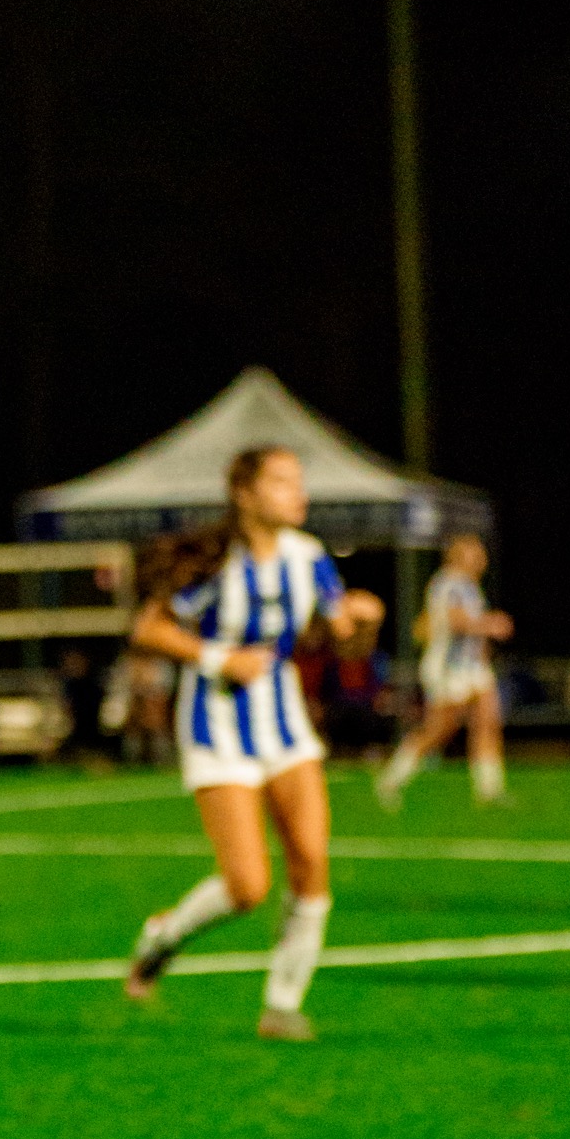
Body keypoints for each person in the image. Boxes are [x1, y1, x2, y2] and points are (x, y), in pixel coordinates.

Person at [121, 445, 384, 1041]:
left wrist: (365, 622)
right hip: (216, 723)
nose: (300, 493)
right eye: (284, 482)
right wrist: (221, 657)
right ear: (245, 494)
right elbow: (150, 627)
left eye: (299, 481)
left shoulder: (308, 556)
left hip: (286, 724)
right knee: (247, 886)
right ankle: (163, 937)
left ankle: (282, 1006)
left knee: (312, 863)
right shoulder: (219, 562)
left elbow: (343, 645)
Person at [375, 531, 512, 806]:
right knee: (439, 729)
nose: (482, 558)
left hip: (470, 667)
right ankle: (392, 777)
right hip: (448, 667)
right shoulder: (448, 583)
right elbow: (457, 622)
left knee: (488, 720)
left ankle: (489, 789)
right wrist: (491, 624)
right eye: (476, 552)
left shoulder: (469, 586)